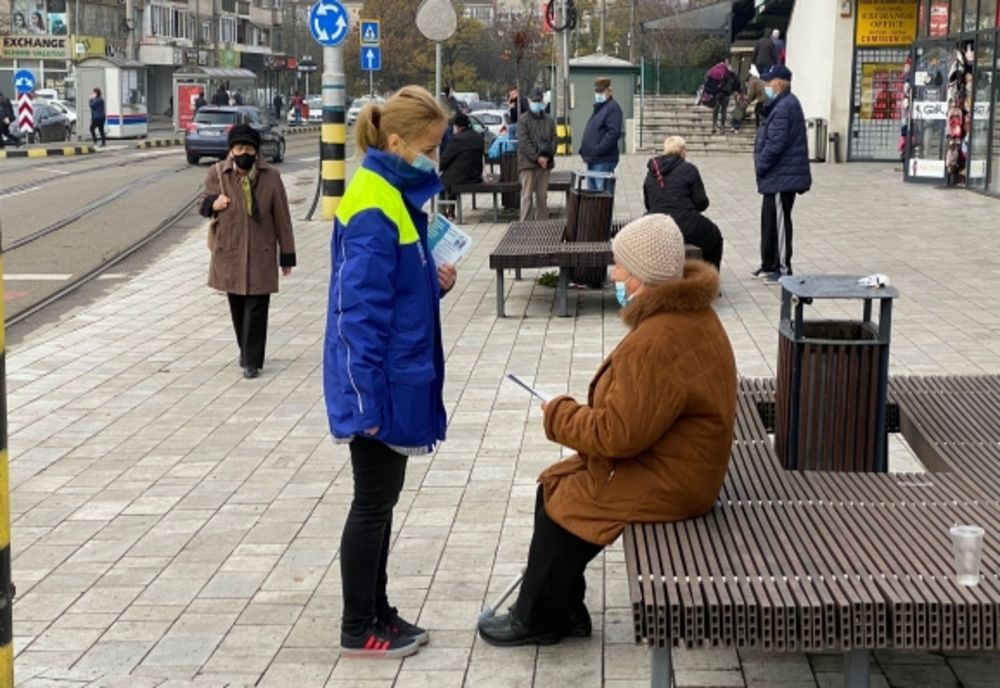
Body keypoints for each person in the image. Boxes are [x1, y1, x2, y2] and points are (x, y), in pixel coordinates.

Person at [477, 213, 737, 647]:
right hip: (684, 464)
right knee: (554, 489)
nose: (615, 274)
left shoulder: (657, 340)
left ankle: (536, 619)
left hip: (674, 479)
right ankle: (563, 609)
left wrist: (558, 412)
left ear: (644, 277)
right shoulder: (689, 314)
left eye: (622, 267)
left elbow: (618, 434)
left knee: (566, 508)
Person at [324, 85, 458, 660]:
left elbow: (394, 290)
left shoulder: (392, 193)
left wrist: (433, 282)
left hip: (393, 376)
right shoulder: (375, 203)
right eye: (429, 147)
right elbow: (359, 312)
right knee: (372, 502)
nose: (435, 158)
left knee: (382, 501)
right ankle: (359, 625)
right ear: (398, 142)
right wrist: (365, 402)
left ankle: (378, 609)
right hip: (376, 384)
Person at [199, 124, 296, 378]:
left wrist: (287, 254)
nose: (244, 152)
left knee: (257, 307)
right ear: (231, 150)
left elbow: (282, 217)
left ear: (256, 151)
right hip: (230, 251)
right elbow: (202, 203)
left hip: (261, 252)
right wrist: (214, 203)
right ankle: (245, 351)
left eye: (249, 148)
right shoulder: (217, 174)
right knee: (238, 307)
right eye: (239, 147)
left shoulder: (271, 176)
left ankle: (252, 361)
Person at [752, 65, 811, 284]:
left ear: (778, 83)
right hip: (776, 175)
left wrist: (761, 164)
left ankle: (783, 268)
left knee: (779, 222)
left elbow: (776, 144)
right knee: (769, 221)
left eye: (768, 82)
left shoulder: (786, 106)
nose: (766, 86)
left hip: (781, 176)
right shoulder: (779, 104)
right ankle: (768, 264)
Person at [643, 136, 724, 270]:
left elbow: (648, 204)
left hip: (657, 223)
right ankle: (709, 279)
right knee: (714, 237)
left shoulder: (652, 172)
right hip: (685, 224)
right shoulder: (689, 169)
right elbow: (701, 202)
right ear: (682, 151)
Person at [517, 89, 556, 222]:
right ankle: (525, 225)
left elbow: (554, 139)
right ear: (529, 101)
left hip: (545, 164)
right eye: (534, 101)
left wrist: (547, 157)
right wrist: (537, 158)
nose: (537, 104)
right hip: (528, 164)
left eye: (539, 101)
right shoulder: (523, 120)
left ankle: (542, 223)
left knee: (542, 197)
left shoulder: (549, 119)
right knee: (526, 196)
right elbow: (523, 142)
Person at [579, 76, 623, 191]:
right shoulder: (601, 108)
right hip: (595, 159)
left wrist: (598, 150)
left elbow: (614, 133)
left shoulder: (612, 108)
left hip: (603, 159)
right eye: (597, 91)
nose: (598, 94)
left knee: (602, 195)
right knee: (593, 195)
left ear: (609, 90)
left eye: (601, 91)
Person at [438, 112, 484, 217]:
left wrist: (437, 168)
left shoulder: (457, 139)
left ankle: (442, 214)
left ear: (457, 126)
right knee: (450, 177)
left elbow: (445, 159)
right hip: (475, 176)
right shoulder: (477, 136)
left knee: (440, 182)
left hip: (463, 177)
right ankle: (451, 210)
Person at [710, 58, 739, 134]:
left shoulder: (727, 72)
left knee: (721, 110)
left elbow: (735, 83)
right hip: (722, 93)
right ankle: (717, 126)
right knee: (719, 109)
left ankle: (719, 126)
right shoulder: (725, 72)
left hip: (723, 93)